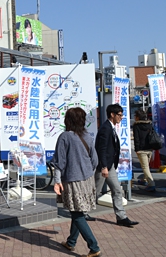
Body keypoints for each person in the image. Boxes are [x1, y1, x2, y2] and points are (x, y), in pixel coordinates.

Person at [53, 108, 101, 257]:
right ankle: (71, 242)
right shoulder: (87, 135)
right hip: (87, 179)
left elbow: (59, 162)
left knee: (77, 214)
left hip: (73, 180)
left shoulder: (65, 137)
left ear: (68, 120)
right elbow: (95, 160)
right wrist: (85, 171)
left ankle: (94, 247)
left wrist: (57, 181)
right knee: (78, 211)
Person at [92, 103, 139, 227]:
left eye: (122, 115)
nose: (121, 117)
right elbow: (101, 149)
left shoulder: (111, 127)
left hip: (110, 165)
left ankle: (121, 217)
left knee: (117, 190)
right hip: (104, 166)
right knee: (94, 191)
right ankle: (82, 212)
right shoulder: (105, 128)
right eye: (119, 115)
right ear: (112, 114)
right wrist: (103, 166)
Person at [133, 108, 156, 192]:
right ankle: (144, 180)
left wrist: (137, 149)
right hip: (150, 149)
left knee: (145, 167)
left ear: (138, 117)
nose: (134, 117)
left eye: (135, 116)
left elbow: (137, 139)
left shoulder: (136, 126)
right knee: (146, 166)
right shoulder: (149, 124)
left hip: (141, 150)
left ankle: (151, 184)